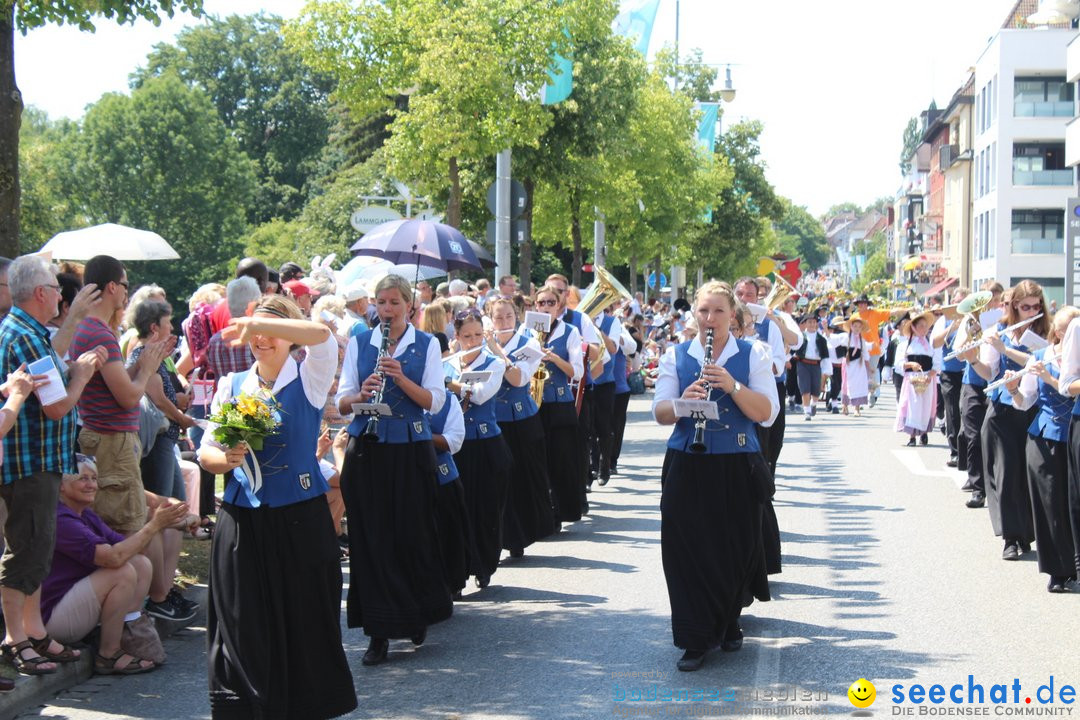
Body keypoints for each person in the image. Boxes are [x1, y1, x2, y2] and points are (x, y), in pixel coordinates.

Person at [198, 294, 356, 719]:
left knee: (304, 622)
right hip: (241, 521)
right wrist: (223, 459)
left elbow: (321, 336)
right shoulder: (233, 385)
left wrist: (264, 324)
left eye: (273, 331)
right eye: (255, 331)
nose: (261, 339)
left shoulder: (308, 378)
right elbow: (207, 451)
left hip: (299, 520)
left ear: (289, 335)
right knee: (243, 624)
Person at [652, 281, 778, 672]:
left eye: (718, 311)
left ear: (733, 316)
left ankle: (727, 620)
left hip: (737, 461)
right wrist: (683, 402)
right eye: (703, 311)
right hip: (688, 460)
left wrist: (732, 385)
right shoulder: (678, 354)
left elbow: (766, 413)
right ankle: (694, 637)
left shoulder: (753, 353)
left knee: (733, 547)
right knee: (684, 547)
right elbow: (659, 413)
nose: (709, 319)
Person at [335, 274, 451, 667]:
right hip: (367, 449)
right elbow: (342, 401)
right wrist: (359, 395)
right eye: (381, 303)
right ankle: (378, 631)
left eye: (394, 303)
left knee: (411, 534)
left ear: (409, 307)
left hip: (410, 451)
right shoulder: (360, 342)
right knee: (371, 540)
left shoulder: (427, 344)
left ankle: (415, 613)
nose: (386, 310)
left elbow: (434, 402)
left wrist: (400, 376)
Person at [0, 255, 106, 676]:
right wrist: (81, 374)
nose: (60, 295)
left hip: (36, 461)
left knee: (37, 551)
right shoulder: (23, 334)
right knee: (26, 553)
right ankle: (16, 639)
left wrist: (75, 318)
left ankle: (34, 630)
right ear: (41, 293)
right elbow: (57, 407)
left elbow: (50, 361)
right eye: (56, 289)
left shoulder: (24, 329)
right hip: (29, 464)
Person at [41, 456, 191, 675]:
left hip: (71, 605)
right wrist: (154, 525)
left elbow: (131, 551)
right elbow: (112, 559)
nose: (92, 484)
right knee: (122, 572)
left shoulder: (85, 515)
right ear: (61, 486)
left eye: (94, 478)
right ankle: (108, 654)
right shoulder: (61, 518)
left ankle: (127, 636)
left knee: (139, 564)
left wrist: (163, 522)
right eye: (83, 478)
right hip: (51, 618)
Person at [70, 256, 174, 539]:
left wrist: (140, 364)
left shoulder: (89, 328)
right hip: (113, 442)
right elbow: (128, 397)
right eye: (126, 285)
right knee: (126, 527)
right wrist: (147, 370)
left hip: (105, 439)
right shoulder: (99, 333)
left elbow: (110, 380)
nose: (128, 292)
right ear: (112, 287)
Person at [968, 280, 1050, 560]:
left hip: (1033, 410)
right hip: (1002, 411)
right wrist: (972, 360)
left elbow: (1035, 363)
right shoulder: (997, 330)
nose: (1031, 311)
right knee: (1005, 474)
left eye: (1036, 307)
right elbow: (989, 372)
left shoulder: (1045, 332)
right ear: (1014, 305)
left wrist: (1005, 350)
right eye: (1026, 307)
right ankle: (1011, 537)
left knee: (1029, 476)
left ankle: (1028, 533)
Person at [1011, 307, 1080, 592]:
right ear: (1056, 332)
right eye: (1063, 331)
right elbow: (1025, 401)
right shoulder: (1041, 357)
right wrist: (1013, 388)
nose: (1066, 336)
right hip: (1046, 435)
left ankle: (1074, 563)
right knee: (1050, 502)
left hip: (1072, 434)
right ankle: (1057, 570)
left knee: (1071, 504)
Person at [444, 308, 510, 589]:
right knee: (454, 512)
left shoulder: (494, 363)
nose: (473, 341)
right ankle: (455, 573)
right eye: (467, 336)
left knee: (485, 509)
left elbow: (481, 396)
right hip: (455, 447)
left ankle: (484, 565)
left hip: (485, 444)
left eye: (478, 335)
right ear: (456, 337)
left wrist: (452, 385)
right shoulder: (446, 363)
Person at [486, 298, 555, 559]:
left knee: (522, 480)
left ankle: (519, 537)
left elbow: (518, 379)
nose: (504, 322)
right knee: (497, 482)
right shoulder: (483, 342)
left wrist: (496, 352)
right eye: (498, 318)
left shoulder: (529, 342)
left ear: (516, 317)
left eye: (508, 317)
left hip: (520, 420)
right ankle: (497, 538)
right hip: (493, 419)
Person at [531, 284, 586, 524]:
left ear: (559, 306)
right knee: (537, 461)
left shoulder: (570, 331)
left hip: (559, 402)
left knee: (561, 460)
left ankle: (560, 511)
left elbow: (577, 371)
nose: (545, 307)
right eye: (541, 303)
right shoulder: (526, 331)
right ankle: (541, 514)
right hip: (533, 404)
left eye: (550, 303)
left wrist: (553, 357)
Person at [931, 288, 971, 468]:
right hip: (950, 372)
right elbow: (935, 342)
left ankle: (968, 451)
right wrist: (951, 327)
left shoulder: (973, 318)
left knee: (967, 412)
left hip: (969, 370)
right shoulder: (944, 319)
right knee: (952, 411)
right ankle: (955, 451)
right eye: (957, 302)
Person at [895, 309, 940, 446]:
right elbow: (898, 364)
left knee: (925, 406)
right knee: (912, 406)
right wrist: (910, 364)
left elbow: (937, 363)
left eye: (926, 326)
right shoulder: (905, 344)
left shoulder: (930, 345)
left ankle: (924, 432)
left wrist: (931, 374)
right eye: (921, 326)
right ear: (913, 327)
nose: (924, 329)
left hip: (927, 379)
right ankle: (912, 435)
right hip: (911, 380)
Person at [793, 314, 831, 420]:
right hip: (803, 364)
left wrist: (827, 369)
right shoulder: (801, 336)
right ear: (805, 324)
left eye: (814, 322)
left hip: (816, 364)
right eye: (809, 322)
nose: (812, 324)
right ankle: (807, 411)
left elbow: (825, 355)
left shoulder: (821, 339)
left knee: (816, 389)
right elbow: (793, 347)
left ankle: (813, 404)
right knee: (805, 388)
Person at [838, 314, 871, 415]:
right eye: (855, 326)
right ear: (851, 327)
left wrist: (868, 367)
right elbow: (834, 341)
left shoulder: (862, 340)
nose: (857, 328)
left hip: (858, 364)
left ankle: (857, 408)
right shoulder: (845, 337)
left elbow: (865, 353)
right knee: (846, 384)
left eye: (859, 326)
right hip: (848, 364)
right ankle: (845, 405)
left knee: (859, 385)